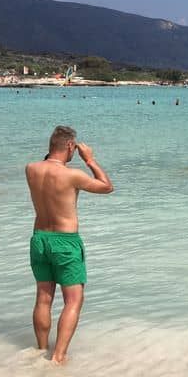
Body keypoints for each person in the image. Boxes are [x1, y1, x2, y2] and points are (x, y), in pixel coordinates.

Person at [25, 125, 114, 364]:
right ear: (70, 146)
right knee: (73, 300)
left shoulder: (31, 169)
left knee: (43, 297)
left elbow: (49, 165)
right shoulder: (71, 175)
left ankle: (40, 349)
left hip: (39, 239)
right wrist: (90, 160)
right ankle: (58, 357)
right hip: (65, 242)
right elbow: (107, 186)